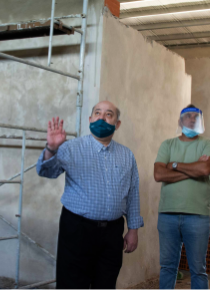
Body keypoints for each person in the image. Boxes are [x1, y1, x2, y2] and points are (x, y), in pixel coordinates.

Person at [36, 101, 144, 290]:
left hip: (112, 233)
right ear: (90, 119)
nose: (102, 118)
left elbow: (133, 192)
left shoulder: (127, 155)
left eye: (108, 114)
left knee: (106, 284)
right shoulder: (71, 148)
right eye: (97, 113)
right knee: (72, 285)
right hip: (77, 230)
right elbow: (47, 172)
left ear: (117, 124)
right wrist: (52, 149)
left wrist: (133, 229)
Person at [153, 105, 210, 290]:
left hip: (197, 215)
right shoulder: (168, 144)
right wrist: (193, 170)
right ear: (180, 121)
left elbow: (205, 170)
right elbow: (158, 174)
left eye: (196, 117)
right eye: (188, 116)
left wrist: (173, 165)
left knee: (198, 269)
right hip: (168, 214)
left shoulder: (208, 143)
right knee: (167, 267)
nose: (192, 120)